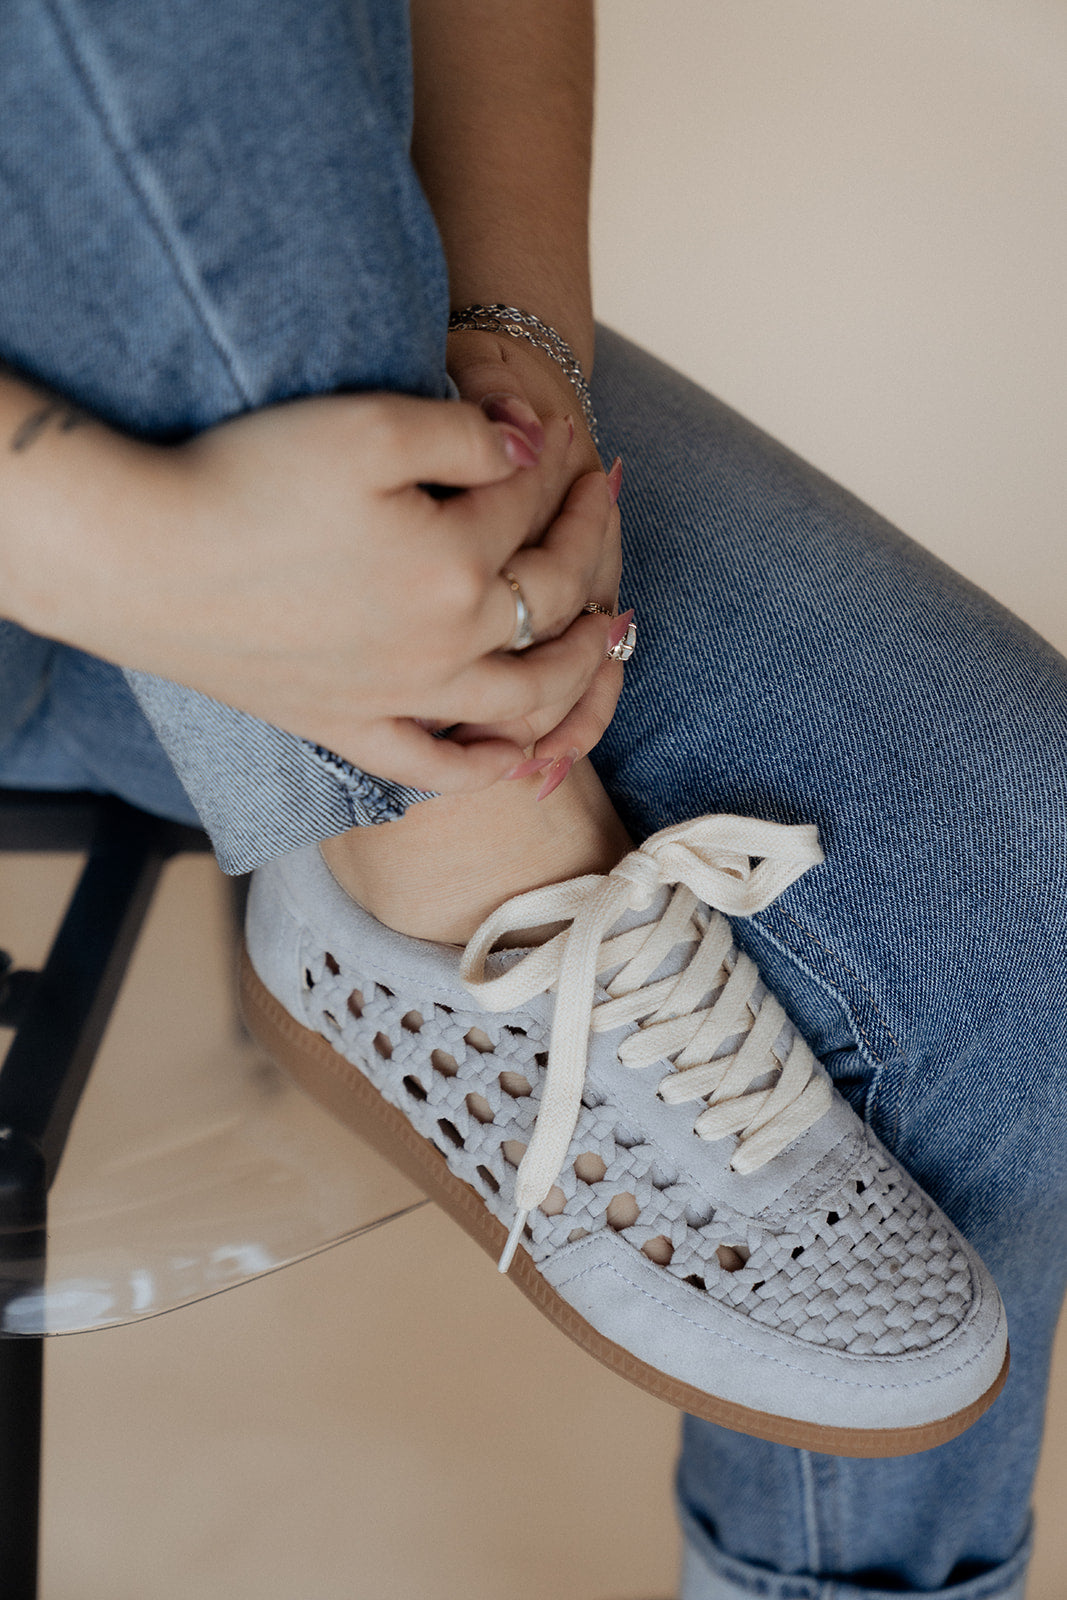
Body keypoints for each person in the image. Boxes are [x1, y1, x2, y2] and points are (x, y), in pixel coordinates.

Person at [1, 2, 1064, 1595]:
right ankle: (450, 845)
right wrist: (140, 553)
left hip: (293, 324)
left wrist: (516, 363)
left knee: (1007, 873)